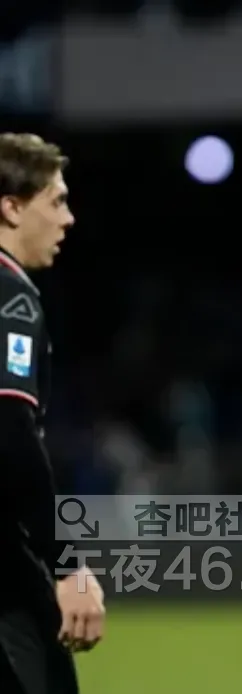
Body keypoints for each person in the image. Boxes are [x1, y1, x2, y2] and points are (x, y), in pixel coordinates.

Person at [0, 132, 106, 694]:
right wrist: (66, 565)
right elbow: (10, 431)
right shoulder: (10, 299)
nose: (68, 219)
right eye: (56, 201)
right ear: (11, 208)